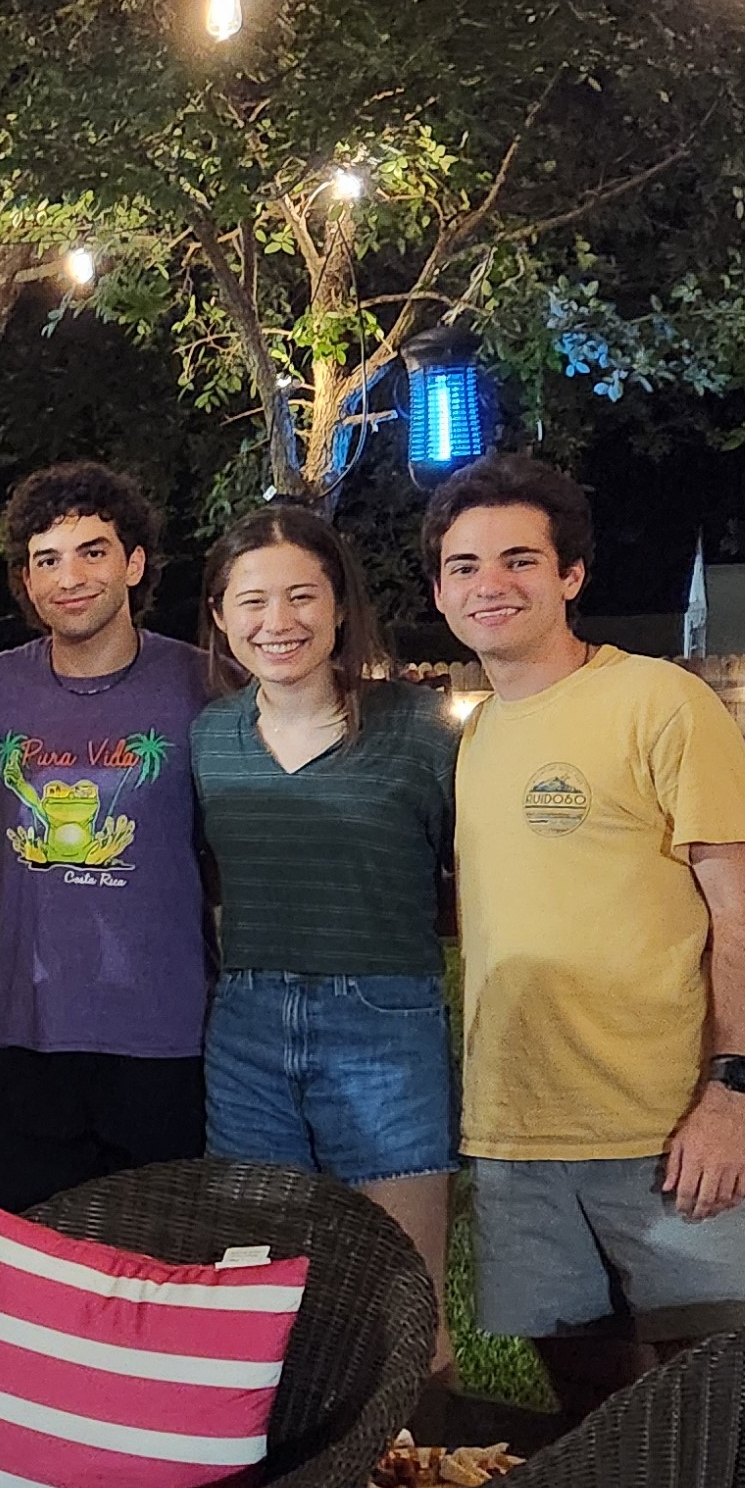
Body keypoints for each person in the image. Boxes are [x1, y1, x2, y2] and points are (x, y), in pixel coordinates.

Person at [432, 450, 745, 1419]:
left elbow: (740, 907)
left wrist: (730, 1093)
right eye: (463, 566)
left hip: (662, 1131)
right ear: (440, 591)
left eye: (518, 560)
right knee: (587, 1400)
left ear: (570, 576)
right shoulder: (477, 736)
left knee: (716, 1404)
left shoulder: (659, 704)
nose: (489, 585)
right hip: (516, 1137)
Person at [189, 504, 461, 1371]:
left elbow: (476, 879)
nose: (280, 623)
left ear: (340, 607)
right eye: (254, 600)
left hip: (385, 1020)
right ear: (222, 617)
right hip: (247, 1030)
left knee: (405, 1296)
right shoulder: (206, 740)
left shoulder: (422, 729)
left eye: (302, 596)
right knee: (262, 1291)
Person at [0, 463, 215, 1215]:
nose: (69, 577)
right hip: (29, 1039)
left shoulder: (204, 685)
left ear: (134, 563)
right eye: (46, 559)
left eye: (92, 551)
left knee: (163, 1276)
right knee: (37, 1278)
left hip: (167, 1041)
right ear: (26, 582)